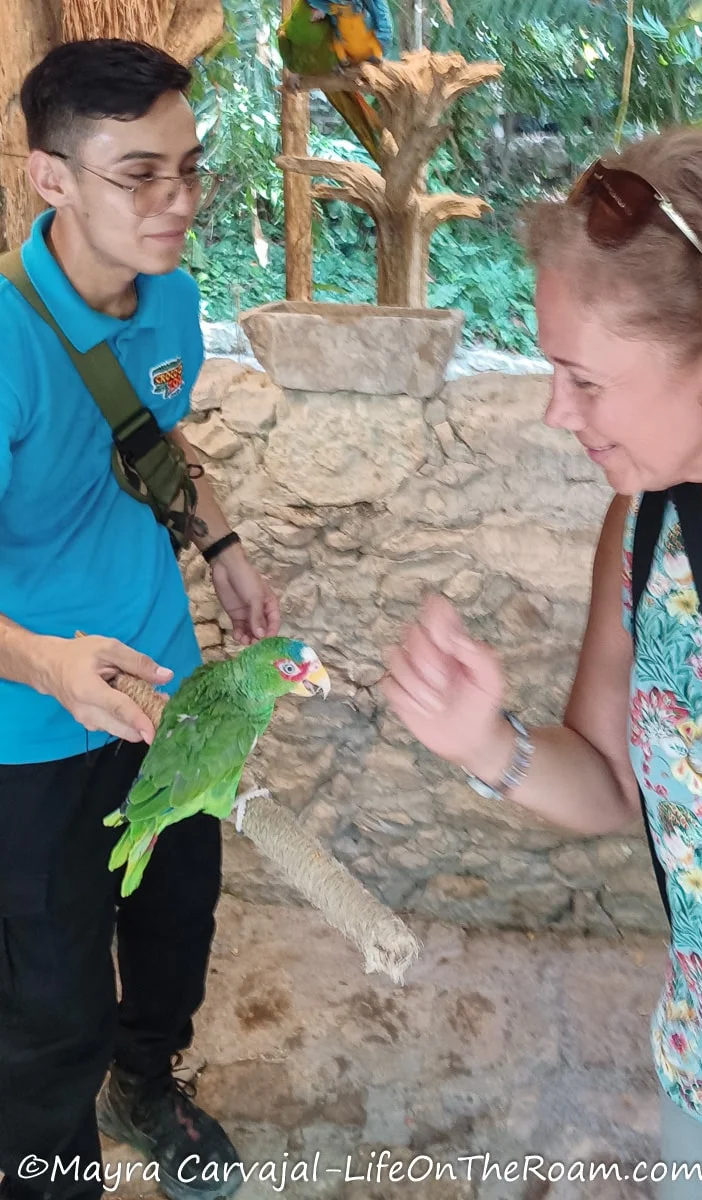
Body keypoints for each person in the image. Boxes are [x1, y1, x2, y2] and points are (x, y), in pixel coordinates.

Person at [382, 127, 702, 1200]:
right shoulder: (644, 529)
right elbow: (612, 780)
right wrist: (487, 741)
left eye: (582, 378)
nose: (553, 410)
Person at [0, 39, 279, 1200]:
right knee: (50, 1008)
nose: (177, 204)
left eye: (188, 168)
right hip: (34, 732)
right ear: (50, 180)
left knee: (174, 932)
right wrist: (45, 662)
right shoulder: (7, 344)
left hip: (169, 701)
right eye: (138, 176)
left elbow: (151, 439)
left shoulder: (174, 301)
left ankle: (147, 1083)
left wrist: (221, 545)